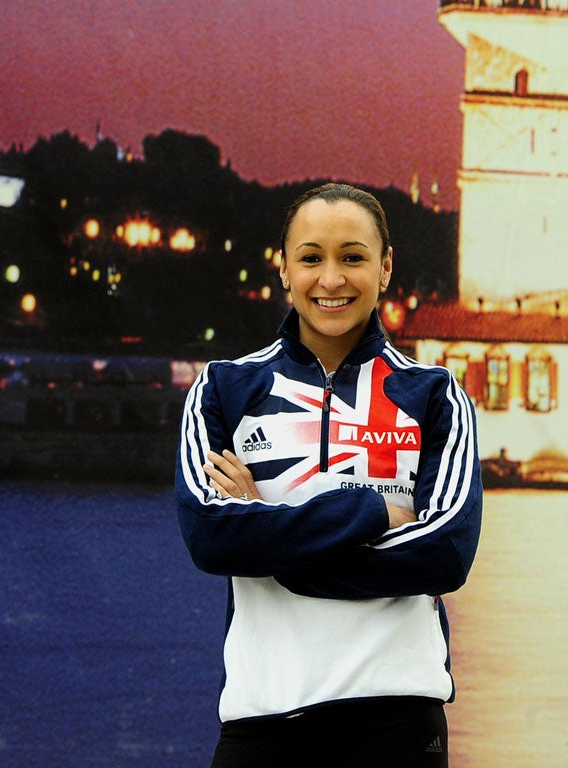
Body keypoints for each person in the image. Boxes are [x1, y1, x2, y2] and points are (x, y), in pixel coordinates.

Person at [175, 182, 482, 767]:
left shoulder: (436, 396)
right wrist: (369, 511)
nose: (332, 279)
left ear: (385, 267)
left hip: (397, 722)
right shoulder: (223, 389)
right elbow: (213, 537)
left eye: (353, 257)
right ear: (285, 270)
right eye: (312, 257)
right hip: (262, 724)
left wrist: (270, 542)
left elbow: (444, 554)